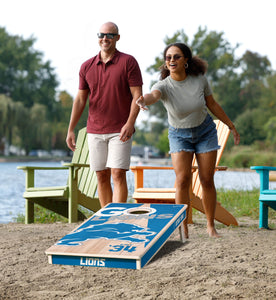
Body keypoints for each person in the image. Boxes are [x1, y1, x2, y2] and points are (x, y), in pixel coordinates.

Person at [136, 43, 240, 238]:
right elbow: (153, 96)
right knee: (182, 179)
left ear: (185, 60)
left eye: (176, 57)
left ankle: (210, 226)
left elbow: (212, 104)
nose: (172, 60)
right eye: (168, 58)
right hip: (179, 135)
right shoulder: (163, 85)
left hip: (205, 132)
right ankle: (183, 228)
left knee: (206, 179)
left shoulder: (199, 80)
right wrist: (143, 100)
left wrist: (230, 125)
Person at [66, 22, 143, 208]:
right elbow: (80, 100)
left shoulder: (128, 62)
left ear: (117, 37)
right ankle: (106, 218)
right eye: (101, 34)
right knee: (101, 175)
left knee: (117, 173)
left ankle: (118, 217)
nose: (105, 38)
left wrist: (130, 123)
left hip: (120, 129)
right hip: (95, 130)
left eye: (110, 35)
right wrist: (70, 130)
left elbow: (137, 96)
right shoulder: (87, 66)